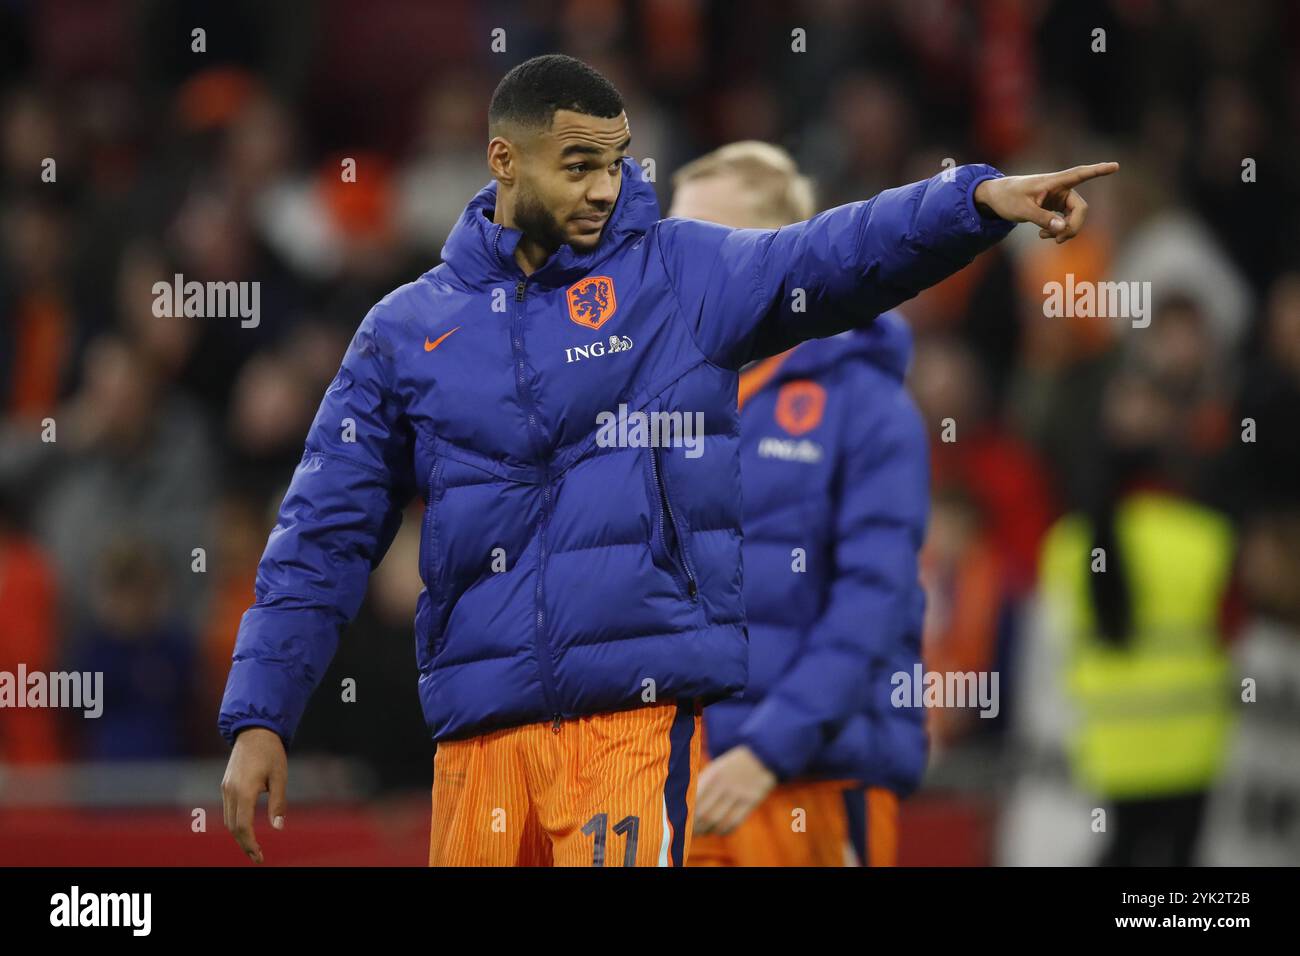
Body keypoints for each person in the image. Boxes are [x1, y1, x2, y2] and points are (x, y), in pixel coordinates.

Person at [218, 53, 1116, 866]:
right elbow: (322, 532)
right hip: (476, 745)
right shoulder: (404, 333)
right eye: (579, 166)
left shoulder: (677, 278)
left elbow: (833, 254)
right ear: (503, 164)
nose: (605, 188)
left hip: (633, 728)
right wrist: (263, 712)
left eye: (614, 162)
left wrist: (972, 201)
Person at [668, 142, 929, 867]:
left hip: (807, 783)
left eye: (714, 242)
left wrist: (768, 750)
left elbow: (874, 601)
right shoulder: (656, 399)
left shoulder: (867, 404)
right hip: (675, 782)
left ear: (787, 254)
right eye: (674, 243)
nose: (688, 268)